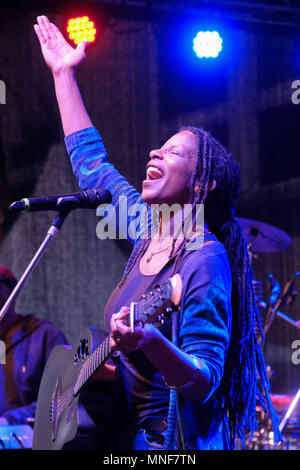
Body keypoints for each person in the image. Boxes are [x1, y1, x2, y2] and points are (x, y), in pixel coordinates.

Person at [33, 15, 281, 450]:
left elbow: (203, 381)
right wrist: (63, 75)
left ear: (203, 183)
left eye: (173, 151)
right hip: (121, 434)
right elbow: (93, 163)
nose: (155, 151)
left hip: (166, 443)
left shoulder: (205, 259)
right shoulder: (150, 231)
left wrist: (149, 340)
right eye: (158, 147)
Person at [0, 265, 67, 425]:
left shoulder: (45, 335)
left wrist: (9, 420)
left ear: (12, 293)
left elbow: (63, 395)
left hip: (32, 437)